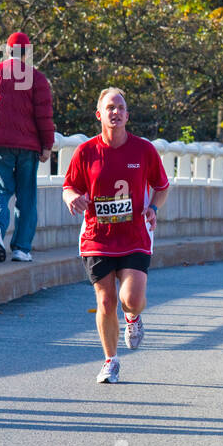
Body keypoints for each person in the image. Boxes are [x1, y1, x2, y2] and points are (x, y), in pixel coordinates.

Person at [62, 88, 170, 384]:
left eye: (121, 107)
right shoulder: (86, 152)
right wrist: (72, 198)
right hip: (97, 236)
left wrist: (152, 208)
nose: (116, 112)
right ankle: (110, 361)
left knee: (131, 299)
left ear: (127, 115)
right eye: (110, 107)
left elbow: (161, 186)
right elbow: (69, 186)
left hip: (135, 235)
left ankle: (133, 319)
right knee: (106, 301)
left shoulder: (144, 150)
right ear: (99, 115)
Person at [0, 31, 55, 264]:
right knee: (26, 198)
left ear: (6, 51)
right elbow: (44, 116)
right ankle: (21, 248)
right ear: (27, 53)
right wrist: (47, 145)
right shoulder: (36, 78)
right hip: (28, 147)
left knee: (0, 192)